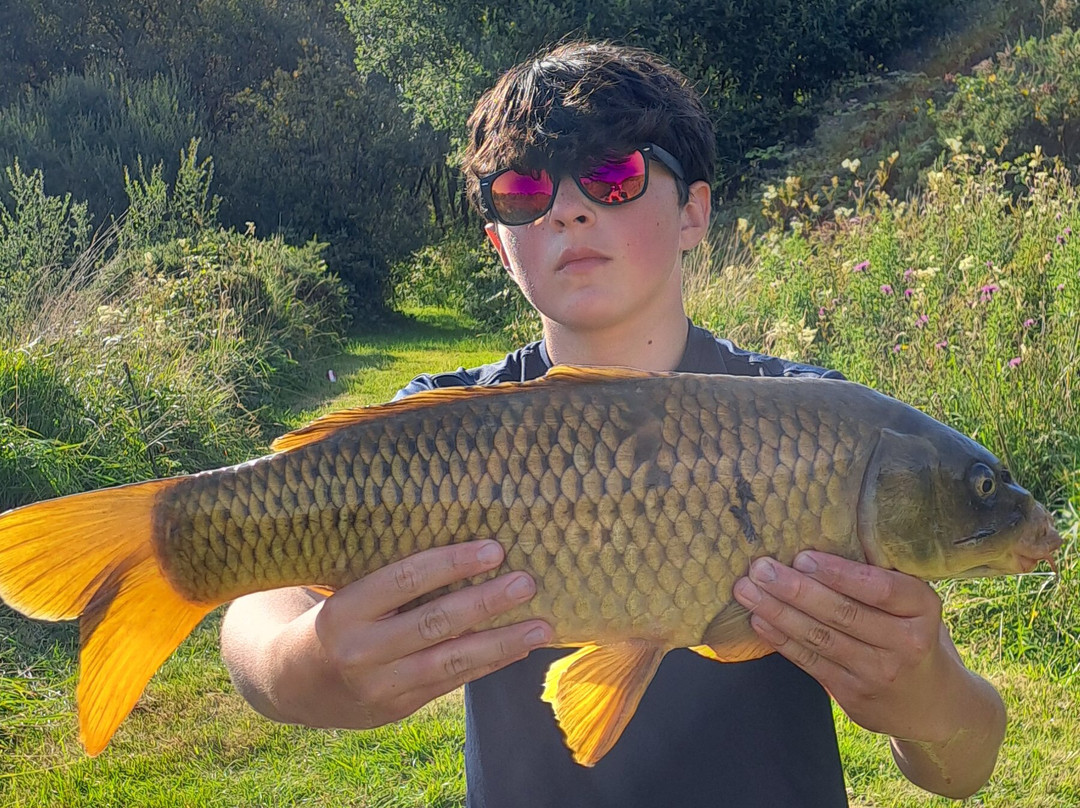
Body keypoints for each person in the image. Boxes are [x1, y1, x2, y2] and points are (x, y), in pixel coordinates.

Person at [221, 41, 1006, 807]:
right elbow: (255, 610)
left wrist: (925, 690)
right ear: (500, 243)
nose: (568, 209)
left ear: (693, 212)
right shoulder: (446, 424)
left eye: (612, 176)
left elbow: (962, 766)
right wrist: (305, 664)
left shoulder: (819, 423)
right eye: (526, 192)